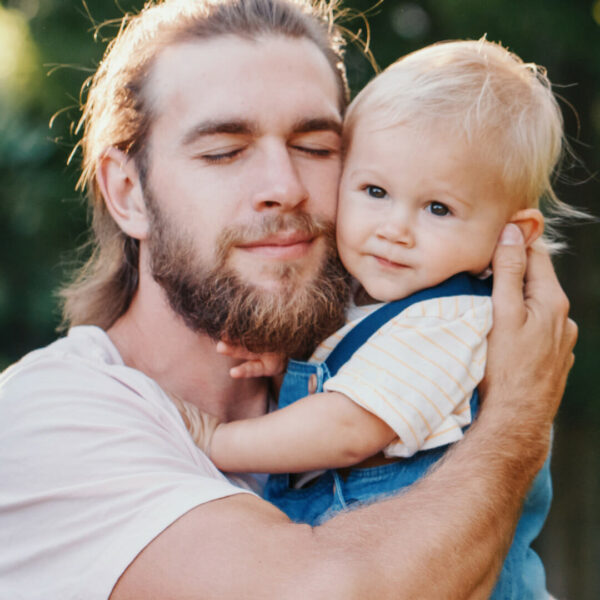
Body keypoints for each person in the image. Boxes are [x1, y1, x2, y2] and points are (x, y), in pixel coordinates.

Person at [0, 1, 576, 599]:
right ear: (127, 192)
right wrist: (516, 417)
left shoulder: (377, 349)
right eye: (224, 150)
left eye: (316, 148)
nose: (285, 187)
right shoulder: (46, 418)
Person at [196, 39, 582, 599]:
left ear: (511, 236)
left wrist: (216, 441)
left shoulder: (452, 319)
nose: (395, 228)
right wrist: (288, 367)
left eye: (438, 209)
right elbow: (364, 378)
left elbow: (350, 430)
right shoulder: (369, 301)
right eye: (375, 191)